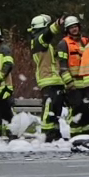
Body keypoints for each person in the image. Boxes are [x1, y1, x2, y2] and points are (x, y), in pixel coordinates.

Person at [28, 14, 66, 142]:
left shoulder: (43, 43)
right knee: (49, 109)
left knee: (55, 111)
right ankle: (46, 134)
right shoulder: (38, 41)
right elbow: (48, 34)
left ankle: (55, 133)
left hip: (55, 80)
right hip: (48, 80)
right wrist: (57, 24)